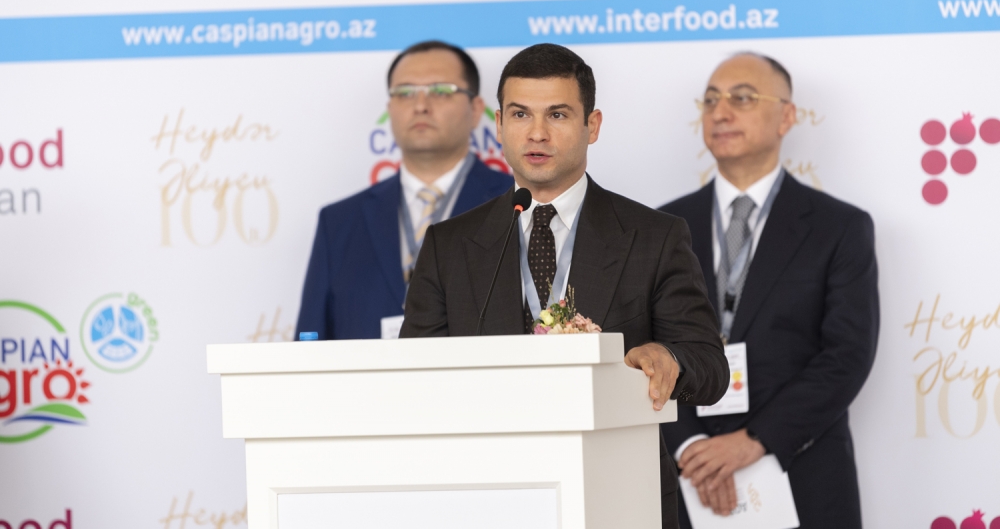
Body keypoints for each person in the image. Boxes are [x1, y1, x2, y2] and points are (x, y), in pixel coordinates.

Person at [400, 43, 729, 529]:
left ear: (592, 126)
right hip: (485, 499)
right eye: (520, 114)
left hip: (616, 498)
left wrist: (670, 358)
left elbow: (710, 366)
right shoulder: (449, 246)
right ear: (498, 124)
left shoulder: (653, 237)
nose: (537, 133)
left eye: (557, 114)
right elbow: (412, 382)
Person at [659, 53, 879, 529]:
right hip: (688, 478)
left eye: (741, 98)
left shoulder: (839, 227)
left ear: (786, 116)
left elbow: (847, 355)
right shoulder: (660, 227)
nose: (720, 112)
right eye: (711, 100)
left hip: (803, 471)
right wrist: (691, 446)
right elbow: (642, 346)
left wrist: (754, 440)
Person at [296, 40, 513, 340]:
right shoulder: (339, 223)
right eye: (405, 92)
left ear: (476, 110)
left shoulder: (516, 205)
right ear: (390, 109)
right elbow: (308, 345)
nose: (420, 105)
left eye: (441, 90)